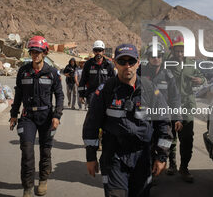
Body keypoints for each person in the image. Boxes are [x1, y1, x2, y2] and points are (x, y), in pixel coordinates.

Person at [83, 44, 173, 197]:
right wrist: (91, 157)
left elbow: (163, 122)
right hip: (113, 158)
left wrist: (161, 156)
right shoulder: (106, 90)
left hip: (143, 157)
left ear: (138, 63)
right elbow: (92, 123)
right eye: (122, 62)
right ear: (115, 63)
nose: (127, 66)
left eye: (131, 62)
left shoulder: (150, 89)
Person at [9, 36, 64, 197]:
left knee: (45, 151)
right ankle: (27, 187)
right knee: (27, 151)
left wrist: (57, 115)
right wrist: (13, 114)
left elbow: (60, 96)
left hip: (47, 117)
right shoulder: (23, 71)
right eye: (32, 51)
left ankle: (43, 180)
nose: (35, 55)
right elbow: (18, 94)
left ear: (45, 52)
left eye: (38, 51)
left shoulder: (52, 72)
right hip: (28, 117)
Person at [166, 36, 206, 183]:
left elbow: (203, 78)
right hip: (170, 106)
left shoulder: (192, 64)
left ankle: (184, 167)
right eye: (177, 51)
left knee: (187, 139)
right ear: (173, 51)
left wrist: (200, 80)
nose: (180, 54)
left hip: (187, 106)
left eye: (182, 51)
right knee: (170, 138)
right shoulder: (167, 64)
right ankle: (172, 164)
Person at [141, 42, 183, 175]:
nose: (156, 58)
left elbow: (175, 98)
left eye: (159, 55)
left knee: (164, 143)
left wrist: (177, 117)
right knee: (146, 146)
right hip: (145, 118)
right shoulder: (140, 73)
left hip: (162, 118)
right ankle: (149, 174)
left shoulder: (168, 76)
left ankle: (167, 164)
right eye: (153, 56)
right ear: (148, 57)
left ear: (162, 57)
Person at [78, 40, 115, 107]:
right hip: (92, 94)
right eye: (96, 50)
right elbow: (83, 79)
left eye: (100, 50)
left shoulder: (109, 65)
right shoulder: (88, 64)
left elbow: (114, 80)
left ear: (103, 51)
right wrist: (81, 95)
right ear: (93, 51)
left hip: (106, 95)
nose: (98, 53)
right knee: (93, 115)